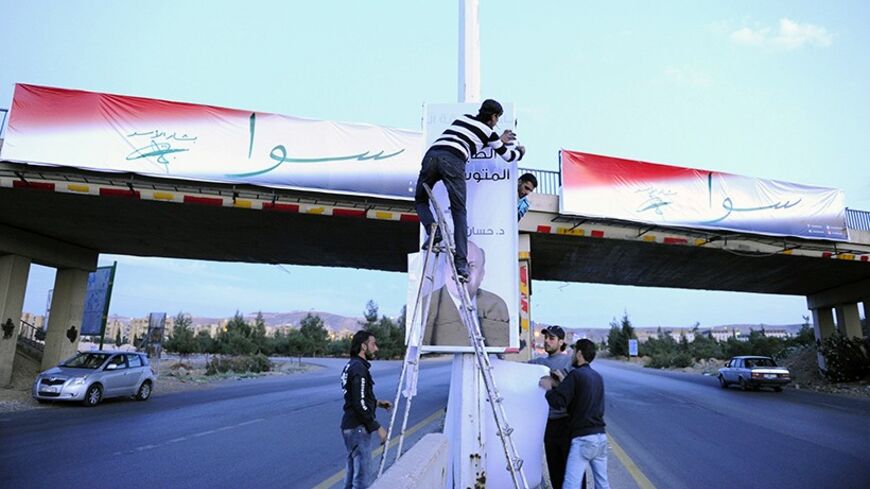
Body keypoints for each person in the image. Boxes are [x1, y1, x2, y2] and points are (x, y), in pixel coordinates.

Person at [415, 99, 525, 281]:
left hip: (432, 156)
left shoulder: (463, 119)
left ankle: (433, 230)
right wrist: (520, 150)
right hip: (453, 160)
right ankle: (461, 264)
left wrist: (498, 139)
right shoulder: (489, 133)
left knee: (420, 199)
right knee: (459, 212)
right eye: (497, 119)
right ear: (494, 116)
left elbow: (472, 138)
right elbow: (508, 156)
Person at [539, 339, 610, 489]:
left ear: (579, 354)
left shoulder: (575, 375)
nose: (571, 354)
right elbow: (580, 397)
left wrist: (550, 387)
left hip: (583, 438)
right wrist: (562, 384)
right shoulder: (597, 377)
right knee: (602, 484)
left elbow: (558, 402)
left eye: (574, 351)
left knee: (571, 484)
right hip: (601, 437)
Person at [422, 241, 510, 347]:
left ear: (482, 274)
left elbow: (500, 349)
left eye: (471, 266)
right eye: (456, 264)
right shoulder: (425, 306)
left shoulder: (496, 306)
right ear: (445, 269)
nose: (463, 272)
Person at [528, 325, 582, 489]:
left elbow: (579, 386)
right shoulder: (539, 362)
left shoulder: (569, 362)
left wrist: (559, 381)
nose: (546, 341)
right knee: (555, 470)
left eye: (551, 338)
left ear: (561, 342)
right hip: (549, 424)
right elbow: (518, 368)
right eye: (545, 338)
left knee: (573, 471)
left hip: (567, 423)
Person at [340, 331, 392, 489]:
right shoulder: (359, 369)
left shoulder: (351, 365)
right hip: (358, 429)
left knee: (350, 478)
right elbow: (358, 403)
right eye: (373, 344)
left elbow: (355, 397)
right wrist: (377, 428)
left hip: (350, 427)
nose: (376, 349)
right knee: (361, 480)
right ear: (363, 346)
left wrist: (377, 403)